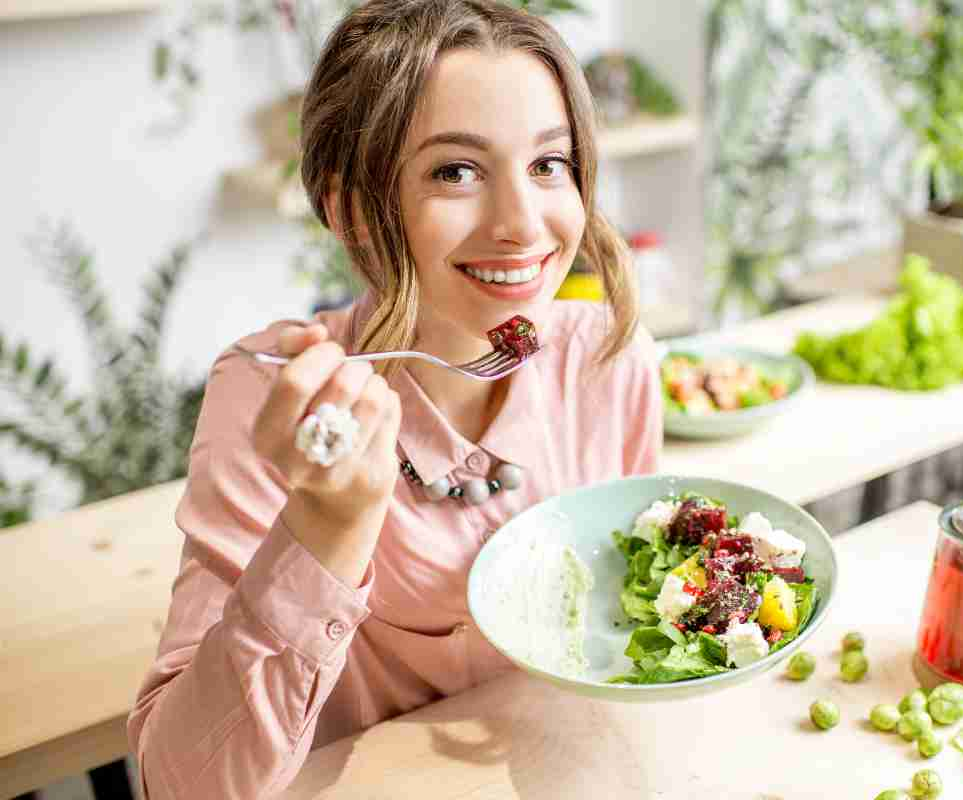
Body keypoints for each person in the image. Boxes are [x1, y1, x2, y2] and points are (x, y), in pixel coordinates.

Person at [127, 1, 662, 796]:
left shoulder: (605, 357)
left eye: (549, 164)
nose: (524, 226)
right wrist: (325, 529)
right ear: (348, 209)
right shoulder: (273, 399)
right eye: (457, 171)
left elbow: (632, 621)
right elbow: (182, 784)